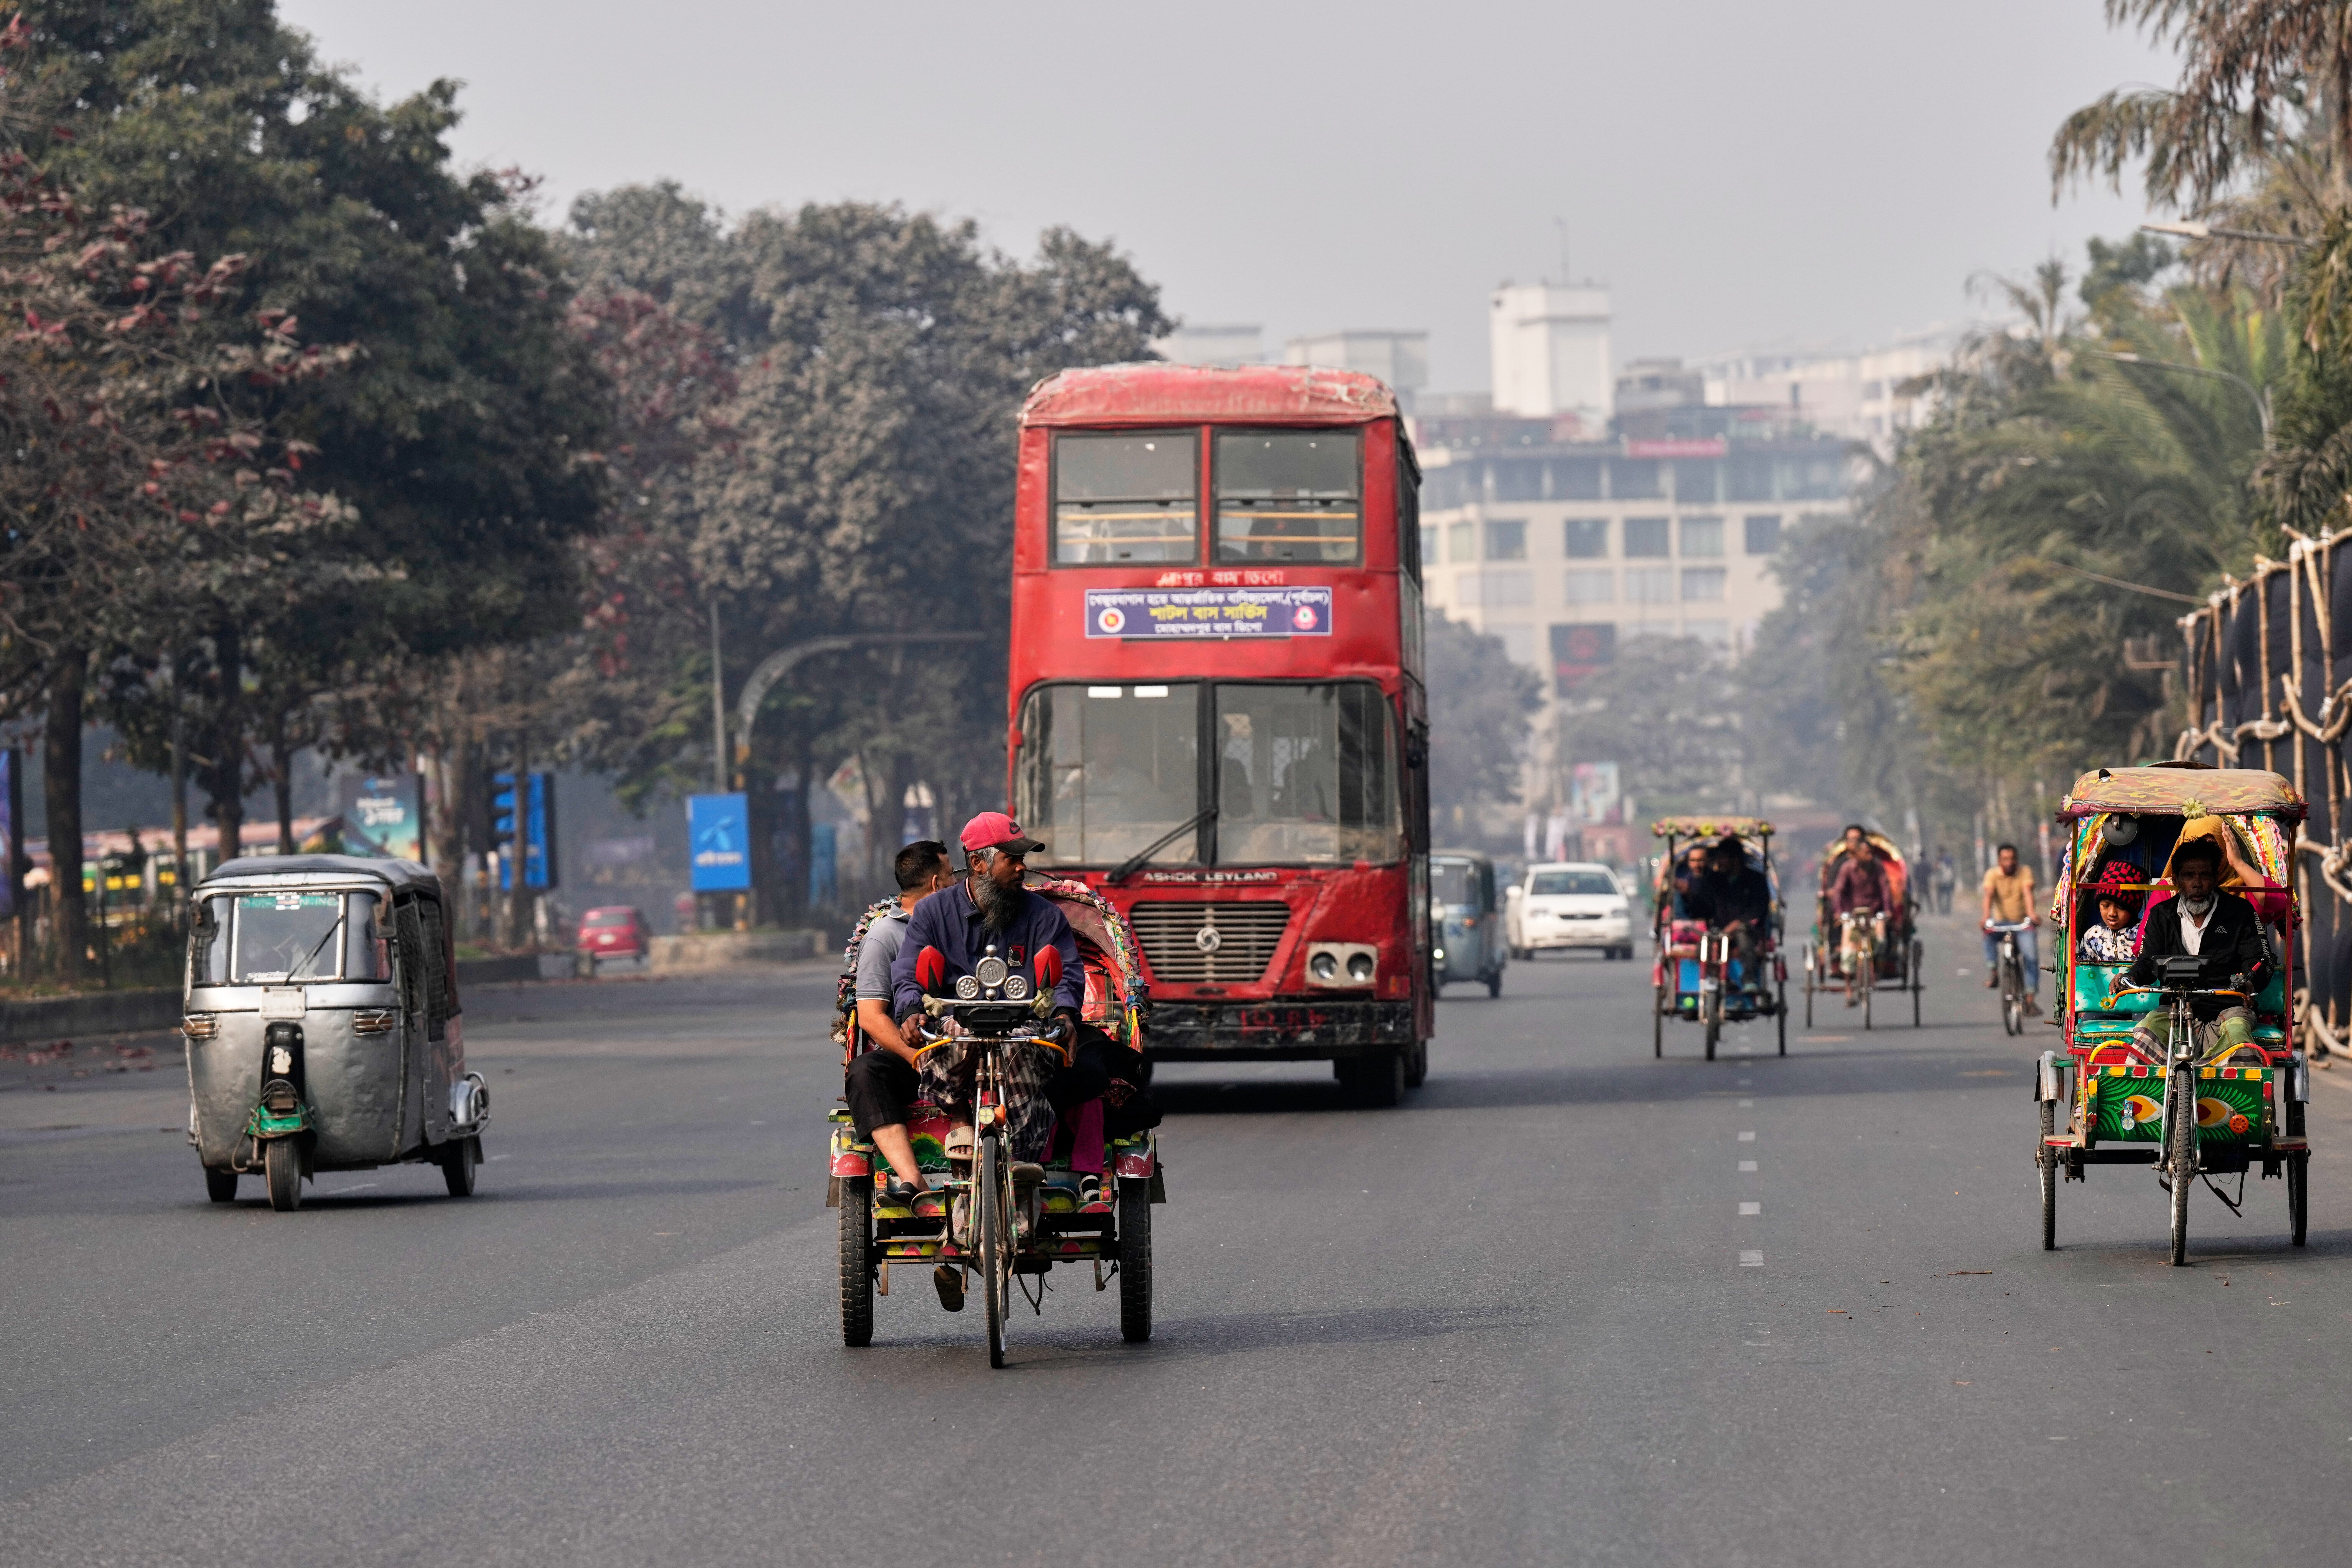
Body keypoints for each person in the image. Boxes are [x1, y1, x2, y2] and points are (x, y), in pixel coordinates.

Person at [841, 840, 956, 1203]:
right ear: (937, 884)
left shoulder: (962, 924)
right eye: (952, 876)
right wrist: (916, 1058)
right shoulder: (884, 937)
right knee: (864, 1072)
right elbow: (872, 1017)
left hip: (971, 1044)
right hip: (917, 1052)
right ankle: (912, 1178)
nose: (958, 884)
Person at [2124, 835, 2271, 1063]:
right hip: (2175, 1011)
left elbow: (2259, 960)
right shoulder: (2161, 915)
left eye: (2205, 875)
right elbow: (2147, 961)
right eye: (2189, 876)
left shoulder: (2241, 912)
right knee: (2148, 1028)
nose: (2197, 883)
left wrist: (2249, 982)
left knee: (2239, 1037)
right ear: (2176, 880)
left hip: (2228, 1010)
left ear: (2216, 878)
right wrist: (2130, 976)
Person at [1696, 835, 1773, 981]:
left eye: (1723, 858)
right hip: (1718, 931)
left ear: (1736, 859)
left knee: (1743, 935)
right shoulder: (1713, 881)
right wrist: (1688, 895)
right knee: (1704, 944)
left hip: (1748, 932)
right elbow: (1703, 907)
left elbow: (1760, 909)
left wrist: (1737, 924)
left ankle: (1749, 979)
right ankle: (1714, 977)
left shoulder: (1756, 880)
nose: (1719, 862)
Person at [1827, 835, 1893, 1002]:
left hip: (1874, 913)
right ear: (1857, 855)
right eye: (1866, 853)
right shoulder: (1848, 869)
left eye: (1871, 853)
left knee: (1881, 941)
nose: (1870, 857)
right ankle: (1849, 989)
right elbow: (1839, 891)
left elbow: (1885, 889)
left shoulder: (1878, 868)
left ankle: (1875, 967)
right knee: (1848, 953)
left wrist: (1888, 910)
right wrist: (1839, 912)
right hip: (1853, 914)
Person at [1979, 842, 2039, 1014]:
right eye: (2005, 859)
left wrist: (2032, 915)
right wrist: (1985, 917)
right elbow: (1988, 896)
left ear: (2017, 859)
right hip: (2000, 923)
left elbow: (2028, 894)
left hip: (2022, 924)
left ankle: (2030, 999)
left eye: (2012, 859)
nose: (2009, 862)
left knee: (2031, 957)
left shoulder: (2025, 872)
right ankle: (1994, 972)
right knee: (1987, 936)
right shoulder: (1992, 875)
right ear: (1999, 861)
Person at [2076, 860, 2142, 962]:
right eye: (2106, 906)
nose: (2112, 913)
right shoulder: (2092, 936)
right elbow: (2084, 970)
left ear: (2133, 909)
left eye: (2121, 907)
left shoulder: (2144, 933)